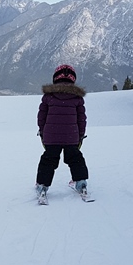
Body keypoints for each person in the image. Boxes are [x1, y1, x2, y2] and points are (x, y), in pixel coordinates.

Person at [35, 64, 89, 200]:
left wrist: (42, 131)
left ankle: (42, 185)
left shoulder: (48, 97)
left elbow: (41, 116)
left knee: (48, 160)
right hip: (72, 136)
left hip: (51, 135)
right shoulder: (77, 98)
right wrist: (80, 135)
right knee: (75, 158)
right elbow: (81, 119)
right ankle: (81, 183)